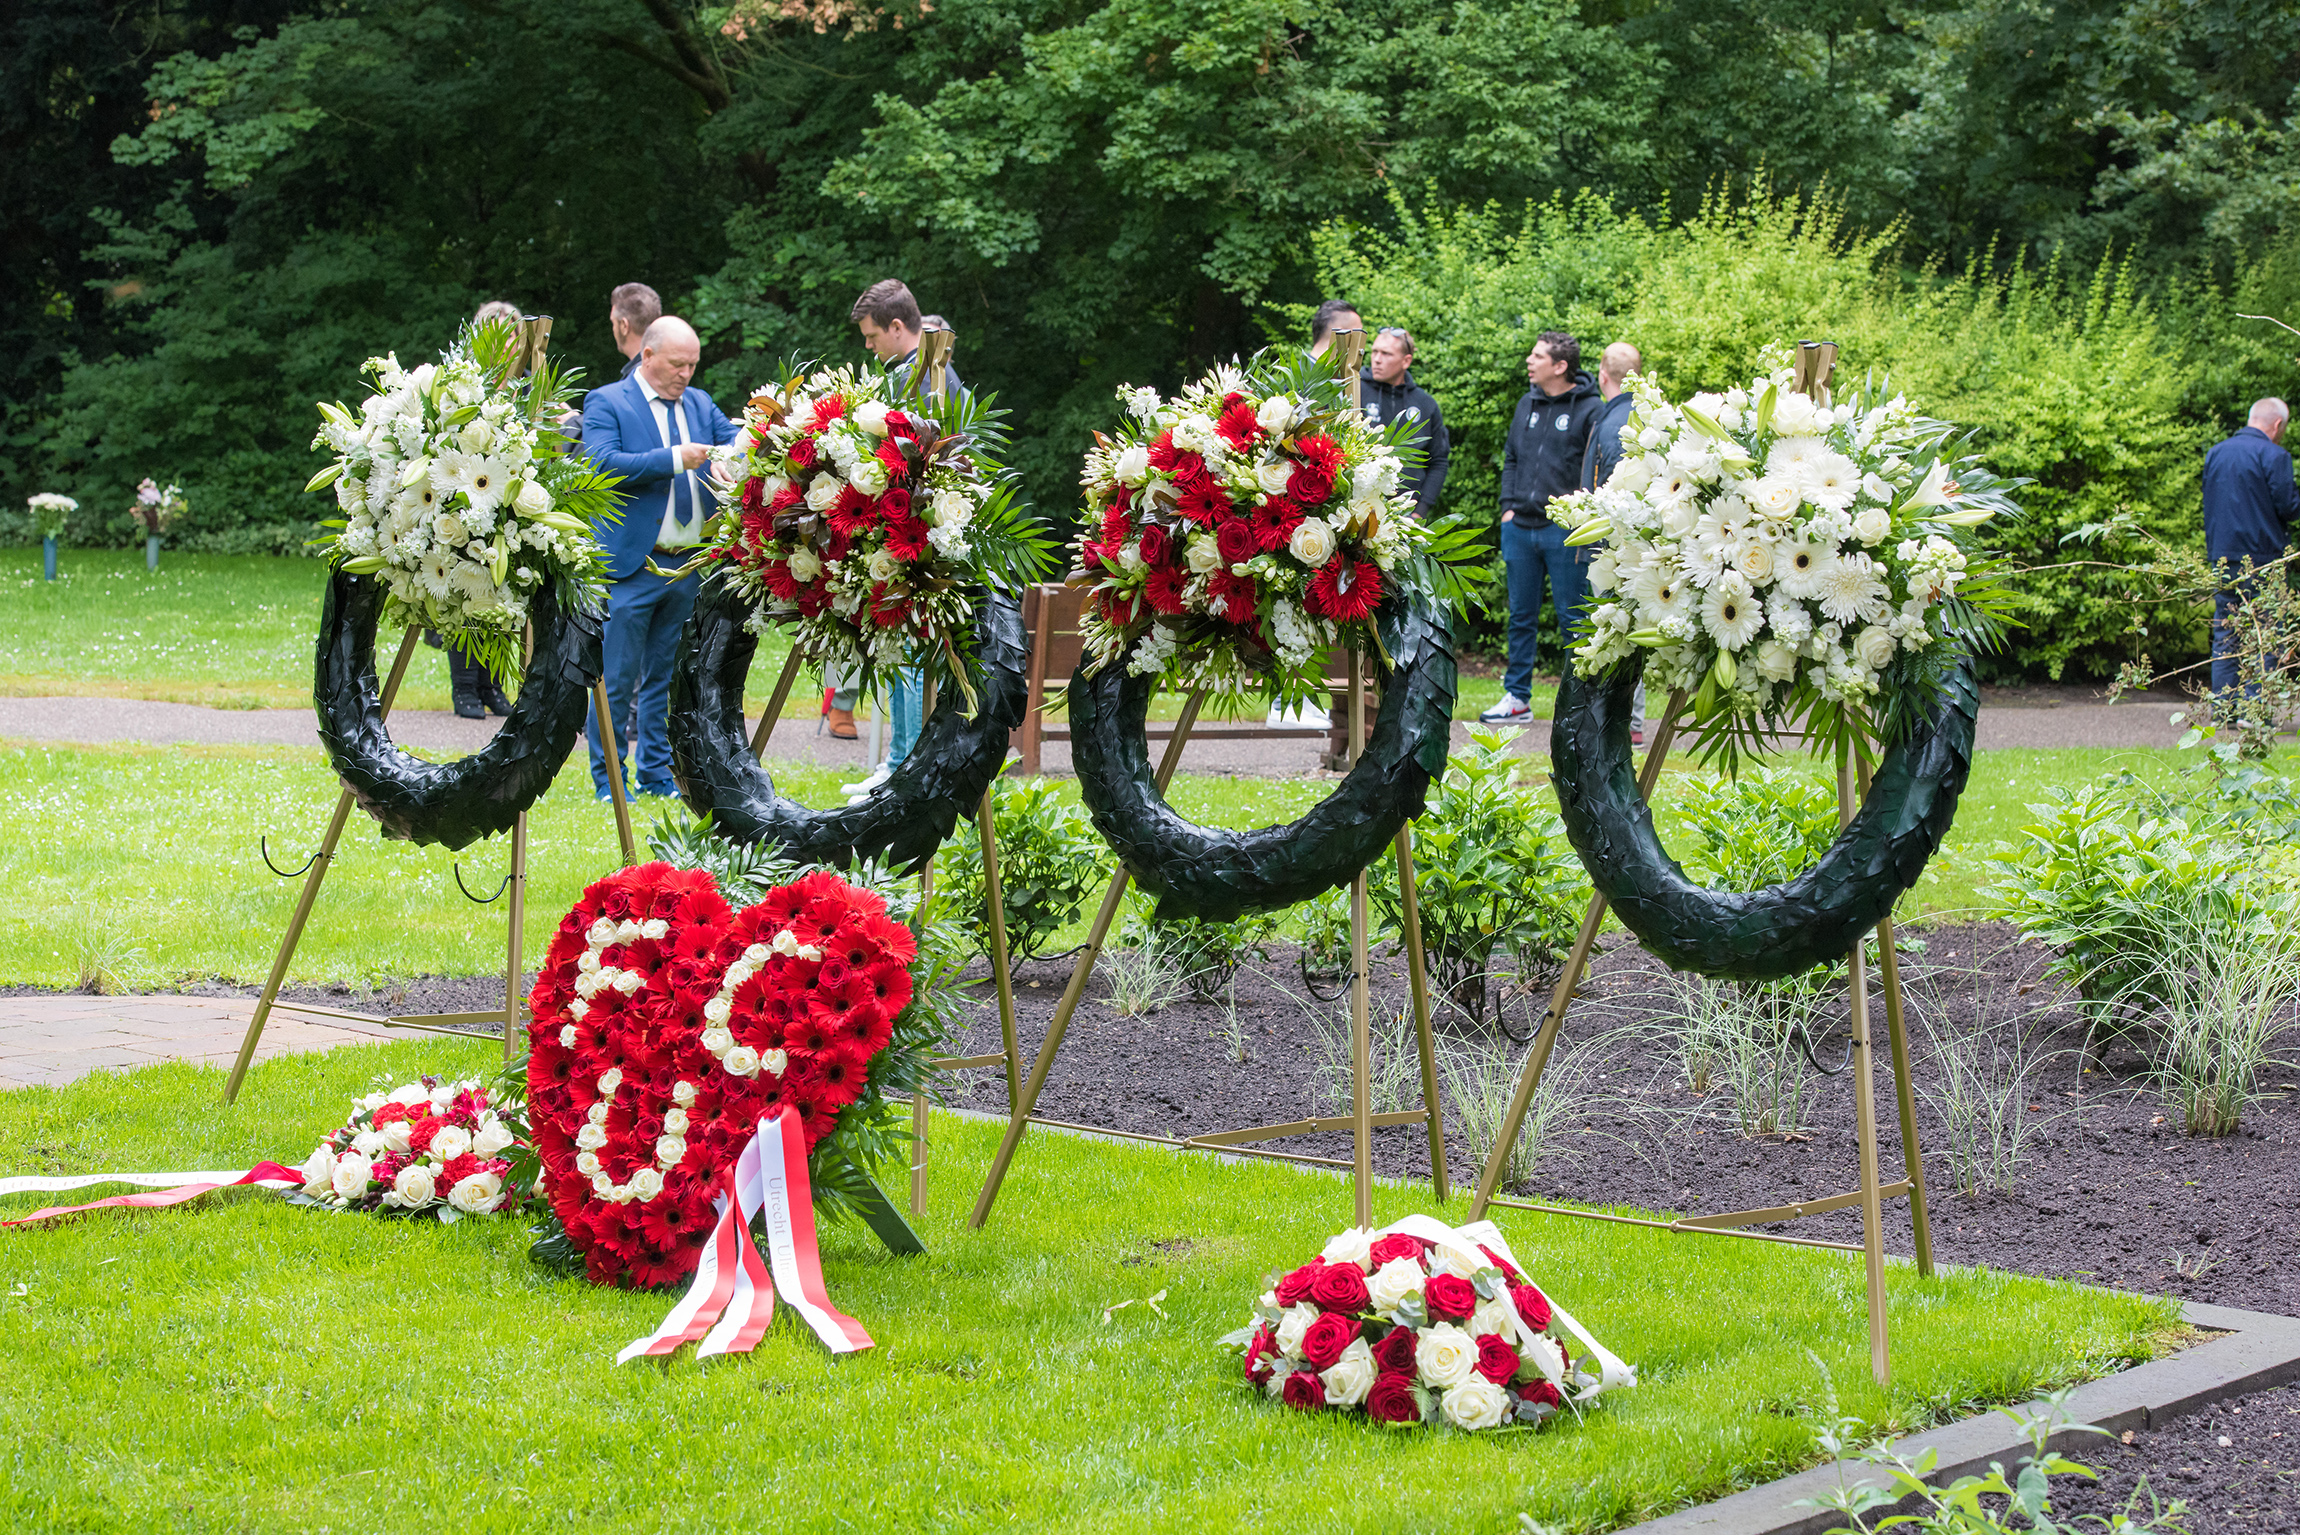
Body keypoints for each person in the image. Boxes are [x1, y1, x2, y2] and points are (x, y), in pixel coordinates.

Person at [577, 315, 738, 799]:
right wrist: (674, 458)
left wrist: (735, 464)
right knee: (617, 680)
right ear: (647, 356)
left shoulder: (700, 404)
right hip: (631, 565)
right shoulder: (609, 401)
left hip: (686, 565)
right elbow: (599, 462)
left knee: (666, 681)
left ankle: (656, 775)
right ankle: (609, 783)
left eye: (692, 364)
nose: (685, 373)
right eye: (676, 364)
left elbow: (735, 444)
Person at [840, 282, 964, 799]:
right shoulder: (910, 372)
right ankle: (896, 761)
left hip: (917, 531)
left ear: (897, 327)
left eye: (872, 336)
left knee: (911, 655)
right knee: (898, 650)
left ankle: (905, 766)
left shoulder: (929, 377)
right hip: (898, 528)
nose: (868, 346)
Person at [1482, 330, 1604, 724]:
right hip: (1520, 526)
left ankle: (1579, 702)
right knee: (1520, 616)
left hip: (1565, 532)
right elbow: (1512, 458)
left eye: (1537, 356)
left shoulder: (1590, 409)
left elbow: (1596, 470)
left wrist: (1582, 518)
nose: (1530, 361)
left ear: (1560, 366)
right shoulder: (1527, 403)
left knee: (1574, 617)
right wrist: (1507, 510)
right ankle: (1517, 698)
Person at [429, 300, 526, 718]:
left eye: (513, 339)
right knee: (465, 591)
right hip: (463, 496)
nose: (506, 348)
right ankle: (464, 687)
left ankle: (489, 684)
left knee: (500, 592)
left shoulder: (525, 387)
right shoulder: (462, 383)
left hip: (505, 502)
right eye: (498, 337)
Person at [2201, 397, 2300, 696]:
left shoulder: (2215, 453)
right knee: (2264, 633)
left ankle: (2223, 709)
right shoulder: (2274, 456)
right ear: (2278, 424)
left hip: (2221, 557)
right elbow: (2290, 507)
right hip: (2263, 558)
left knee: (2226, 635)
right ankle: (2254, 712)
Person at [1582, 340, 1646, 742]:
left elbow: (1599, 486)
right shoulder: (1651, 417)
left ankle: (1621, 720)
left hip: (1613, 545)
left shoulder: (1610, 422)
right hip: (1647, 543)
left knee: (1613, 627)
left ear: (1603, 375)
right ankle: (1632, 720)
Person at [1361, 327, 1449, 519]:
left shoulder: (1425, 404)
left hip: (1406, 516)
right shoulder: (1355, 391)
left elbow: (1439, 461)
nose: (1376, 359)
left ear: (1406, 361)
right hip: (1358, 510)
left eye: (1386, 354)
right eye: (1374, 351)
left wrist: (1420, 510)